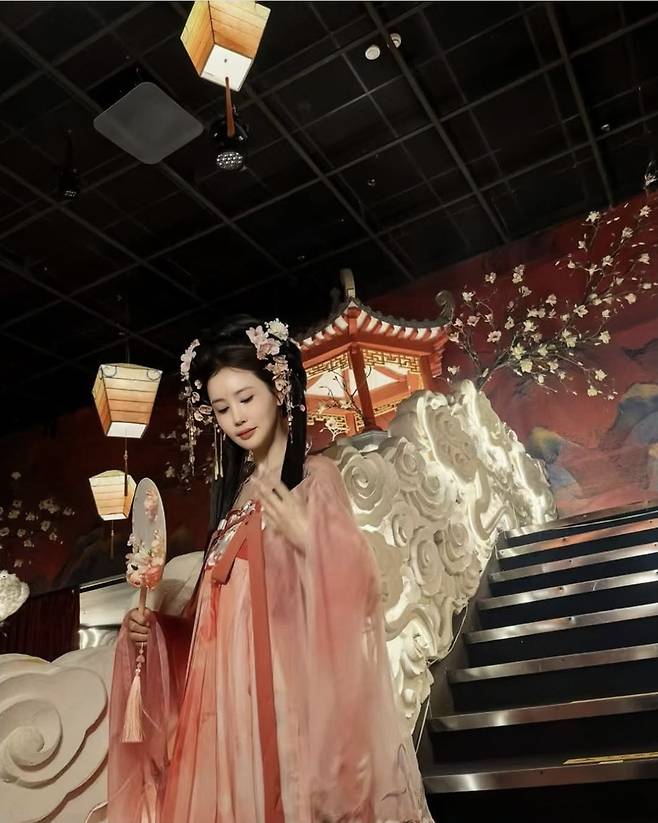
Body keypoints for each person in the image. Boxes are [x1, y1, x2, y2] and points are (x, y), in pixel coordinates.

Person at [107, 316, 433, 823]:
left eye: (246, 398)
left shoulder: (313, 477)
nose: (236, 417)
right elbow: (211, 625)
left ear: (278, 390)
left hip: (286, 698)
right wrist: (159, 632)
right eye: (221, 408)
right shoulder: (236, 497)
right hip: (227, 708)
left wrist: (310, 541)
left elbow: (362, 591)